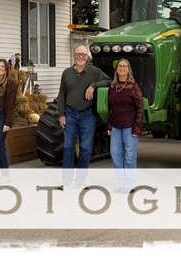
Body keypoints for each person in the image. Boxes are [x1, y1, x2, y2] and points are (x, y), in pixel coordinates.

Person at [57, 45, 111, 189]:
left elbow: (109, 81)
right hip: (70, 114)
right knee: (68, 146)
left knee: (86, 148)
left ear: (87, 57)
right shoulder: (67, 73)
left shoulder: (94, 72)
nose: (81, 57)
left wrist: (93, 85)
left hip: (88, 114)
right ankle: (67, 180)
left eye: (83, 55)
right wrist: (61, 114)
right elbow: (61, 95)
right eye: (78, 54)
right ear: (74, 56)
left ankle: (80, 180)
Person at [106, 58, 143, 194]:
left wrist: (137, 127)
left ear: (128, 69)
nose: (121, 68)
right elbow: (111, 108)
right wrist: (109, 125)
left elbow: (140, 108)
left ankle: (130, 184)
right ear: (117, 69)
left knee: (130, 155)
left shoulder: (133, 86)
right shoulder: (112, 87)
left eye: (124, 66)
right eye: (119, 66)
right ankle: (122, 183)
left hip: (130, 126)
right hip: (115, 126)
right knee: (115, 153)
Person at [0, 58, 18, 180]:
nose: (0, 68)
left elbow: (11, 105)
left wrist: (7, 123)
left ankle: (5, 174)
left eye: (2, 66)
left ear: (6, 69)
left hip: (2, 116)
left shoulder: (11, 82)